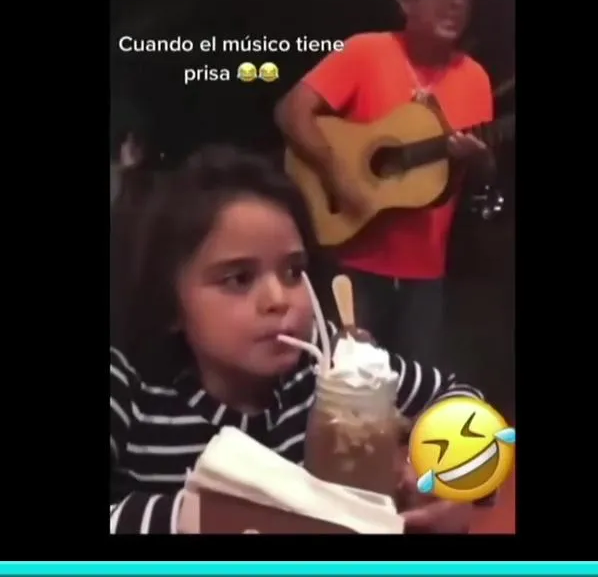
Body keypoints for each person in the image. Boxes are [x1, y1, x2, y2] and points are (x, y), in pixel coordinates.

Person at [108, 145, 490, 534]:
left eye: (293, 272)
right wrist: (212, 515)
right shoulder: (129, 390)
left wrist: (448, 476)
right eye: (239, 278)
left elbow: (465, 403)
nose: (279, 299)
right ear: (170, 302)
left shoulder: (332, 364)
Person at [274, 0, 496, 364]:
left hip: (426, 275)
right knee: (343, 384)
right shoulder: (366, 52)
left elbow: (477, 180)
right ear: (408, 0)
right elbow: (291, 111)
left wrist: (480, 162)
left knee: (414, 392)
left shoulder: (476, 78)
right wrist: (339, 174)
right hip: (352, 263)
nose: (458, 2)